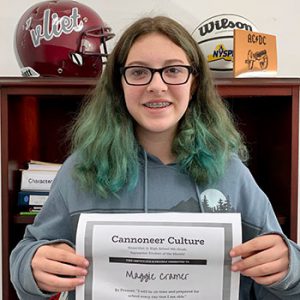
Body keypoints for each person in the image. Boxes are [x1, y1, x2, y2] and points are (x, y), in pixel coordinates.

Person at [10, 16, 300, 300]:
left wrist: (288, 267)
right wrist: (33, 267)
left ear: (194, 82)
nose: (157, 85)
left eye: (173, 70)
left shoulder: (231, 173)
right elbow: (26, 259)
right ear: (119, 84)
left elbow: (280, 282)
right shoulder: (81, 169)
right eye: (138, 72)